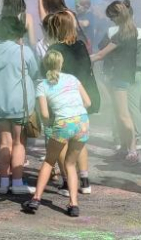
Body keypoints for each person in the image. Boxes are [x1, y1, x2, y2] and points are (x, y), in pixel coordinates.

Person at [22, 49, 91, 218]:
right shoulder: (73, 79)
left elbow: (45, 115)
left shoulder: (42, 85)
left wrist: (49, 125)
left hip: (62, 123)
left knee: (49, 161)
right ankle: (73, 204)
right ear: (61, 63)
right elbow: (88, 102)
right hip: (82, 122)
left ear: (45, 64)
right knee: (70, 164)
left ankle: (36, 198)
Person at [44, 11, 99, 195]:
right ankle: (84, 180)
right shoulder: (81, 45)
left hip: (62, 100)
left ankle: (68, 182)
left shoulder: (55, 50)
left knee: (61, 141)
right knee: (79, 141)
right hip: (81, 97)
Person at [0, 15, 37, 195]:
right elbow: (35, 72)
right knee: (19, 143)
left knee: (3, 142)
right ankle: (18, 182)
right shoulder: (23, 51)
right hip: (19, 104)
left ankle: (4, 182)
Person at [90, 0, 141, 163]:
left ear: (117, 17)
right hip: (128, 75)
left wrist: (82, 58)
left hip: (120, 78)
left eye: (111, 17)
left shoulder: (120, 34)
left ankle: (132, 150)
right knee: (125, 113)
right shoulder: (134, 32)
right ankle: (126, 148)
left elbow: (101, 54)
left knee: (123, 115)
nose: (111, 21)